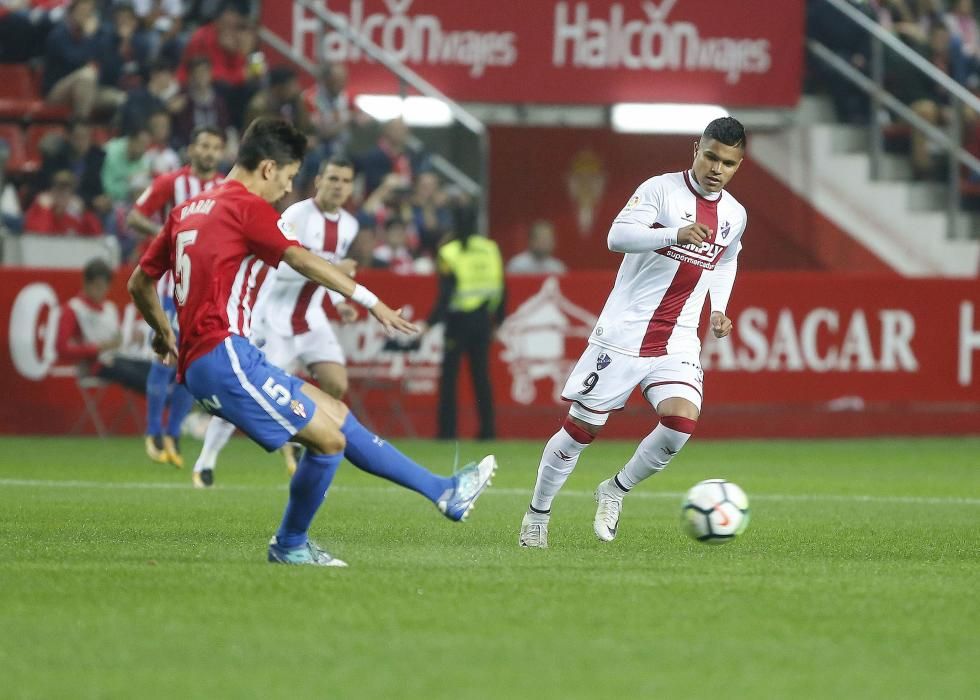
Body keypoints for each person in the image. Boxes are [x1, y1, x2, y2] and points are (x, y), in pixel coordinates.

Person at [128, 118, 496, 566]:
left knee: (337, 416)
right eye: (285, 178)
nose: (285, 191)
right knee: (328, 443)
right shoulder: (245, 207)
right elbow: (301, 259)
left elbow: (139, 283)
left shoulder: (188, 209)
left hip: (225, 355)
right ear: (267, 168)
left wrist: (164, 332)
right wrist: (371, 301)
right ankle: (290, 544)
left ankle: (444, 492)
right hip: (224, 356)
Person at [518, 117, 748, 549]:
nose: (717, 169)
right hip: (625, 331)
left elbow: (727, 259)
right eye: (711, 157)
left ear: (739, 164)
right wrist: (673, 233)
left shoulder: (734, 214)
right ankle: (537, 515)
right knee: (581, 431)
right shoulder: (660, 189)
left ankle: (614, 490)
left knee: (680, 423)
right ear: (696, 149)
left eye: (729, 163)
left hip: (678, 336)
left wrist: (719, 309)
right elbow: (616, 237)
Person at [190, 155, 361, 487]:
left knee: (336, 383)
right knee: (241, 392)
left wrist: (339, 301)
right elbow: (276, 267)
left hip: (310, 318)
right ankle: (206, 462)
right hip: (274, 320)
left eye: (346, 181)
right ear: (318, 181)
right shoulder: (295, 215)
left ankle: (301, 439)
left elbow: (327, 272)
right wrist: (333, 269)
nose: (339, 187)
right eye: (333, 179)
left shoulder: (350, 225)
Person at [128, 125, 226, 467]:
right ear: (191, 150)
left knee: (191, 363)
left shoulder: (226, 189)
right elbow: (134, 216)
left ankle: (173, 433)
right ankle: (153, 432)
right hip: (171, 289)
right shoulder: (171, 183)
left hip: (207, 292)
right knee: (164, 357)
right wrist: (168, 235)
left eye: (216, 147)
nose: (209, 152)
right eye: (203, 145)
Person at [424, 207, 505, 440]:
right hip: (483, 321)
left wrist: (430, 323)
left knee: (450, 378)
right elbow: (501, 286)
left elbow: (446, 294)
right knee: (481, 377)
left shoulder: (449, 253)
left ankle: (447, 432)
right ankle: (488, 431)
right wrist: (499, 320)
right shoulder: (490, 248)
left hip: (457, 321)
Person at [57, 257, 151, 393]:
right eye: (96, 286)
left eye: (104, 286)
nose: (100, 291)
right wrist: (96, 348)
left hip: (118, 357)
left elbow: (118, 340)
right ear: (86, 283)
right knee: (145, 379)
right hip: (95, 364)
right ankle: (167, 406)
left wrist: (132, 338)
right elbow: (62, 349)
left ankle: (178, 406)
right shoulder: (72, 309)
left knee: (157, 370)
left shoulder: (109, 308)